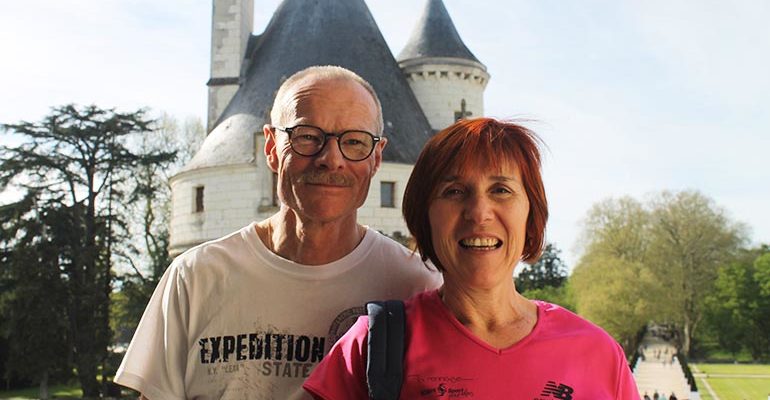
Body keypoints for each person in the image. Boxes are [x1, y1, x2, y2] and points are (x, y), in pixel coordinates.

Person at [114, 66, 442, 400]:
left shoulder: (416, 285)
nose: (331, 159)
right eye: (307, 137)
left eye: (355, 142)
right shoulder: (195, 278)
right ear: (271, 147)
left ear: (376, 158)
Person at [304, 118, 640, 398]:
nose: (479, 213)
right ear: (425, 218)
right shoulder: (374, 344)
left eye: (501, 190)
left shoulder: (597, 354)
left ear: (531, 214)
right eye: (454, 192)